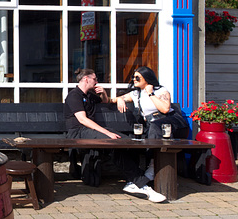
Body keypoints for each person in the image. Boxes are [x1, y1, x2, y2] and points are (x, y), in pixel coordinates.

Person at [64, 68, 166, 203]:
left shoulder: (88, 94)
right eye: (95, 79)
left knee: (128, 142)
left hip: (90, 131)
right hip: (78, 132)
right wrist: (106, 132)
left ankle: (135, 182)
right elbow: (83, 120)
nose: (97, 81)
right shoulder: (74, 96)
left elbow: (105, 101)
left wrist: (104, 94)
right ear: (86, 79)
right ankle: (141, 184)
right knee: (114, 142)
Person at [112, 66, 190, 180]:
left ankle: (153, 166)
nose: (134, 80)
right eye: (133, 77)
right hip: (153, 126)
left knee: (154, 126)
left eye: (137, 78)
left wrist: (150, 93)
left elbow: (165, 109)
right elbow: (113, 99)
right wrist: (119, 99)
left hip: (171, 123)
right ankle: (145, 170)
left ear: (146, 79)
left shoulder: (161, 91)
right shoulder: (136, 94)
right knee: (144, 133)